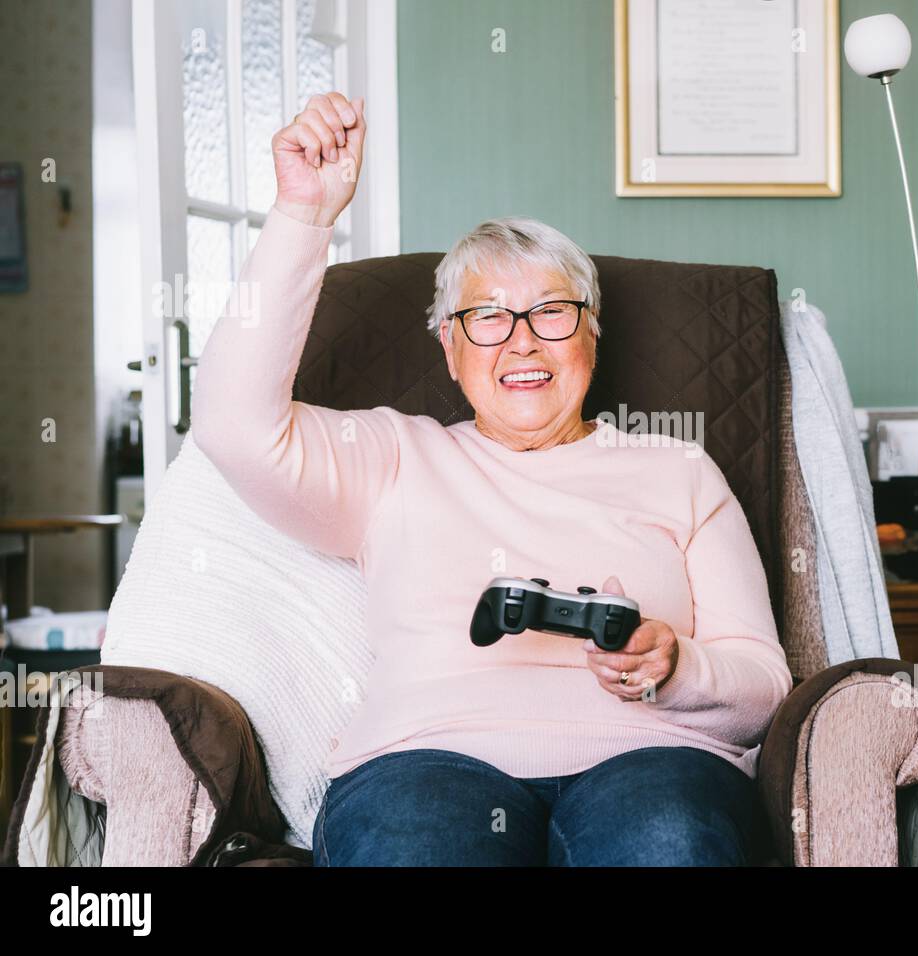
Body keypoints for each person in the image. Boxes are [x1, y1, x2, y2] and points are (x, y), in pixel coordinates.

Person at [191, 92, 793, 866]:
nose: (522, 343)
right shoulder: (395, 456)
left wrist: (676, 664)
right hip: (428, 760)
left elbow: (764, 688)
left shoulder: (678, 470)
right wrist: (304, 213)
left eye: (552, 312)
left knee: (668, 843)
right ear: (450, 347)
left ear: (591, 334)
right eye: (488, 318)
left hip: (653, 757)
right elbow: (230, 425)